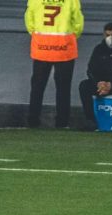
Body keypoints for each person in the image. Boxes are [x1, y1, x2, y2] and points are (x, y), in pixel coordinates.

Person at [25, 0, 84, 128]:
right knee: (63, 88)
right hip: (64, 49)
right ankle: (62, 123)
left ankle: (33, 121)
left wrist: (39, 37)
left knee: (37, 87)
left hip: (42, 49)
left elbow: (29, 21)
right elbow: (78, 22)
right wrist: (72, 36)